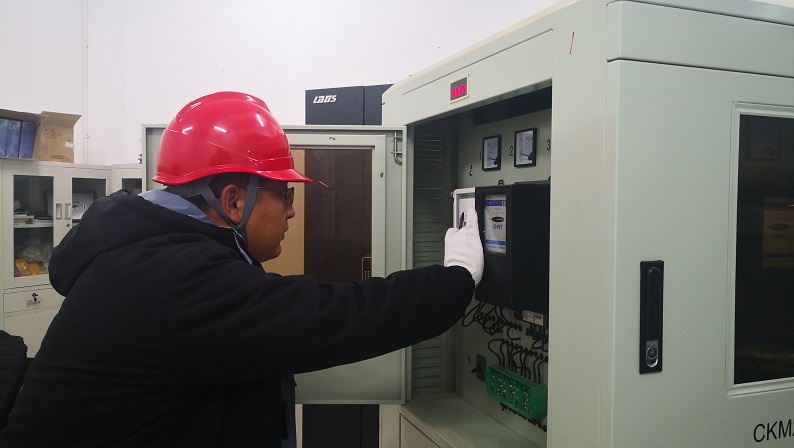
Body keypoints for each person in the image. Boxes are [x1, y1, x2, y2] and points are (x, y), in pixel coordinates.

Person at [0, 91, 483, 447]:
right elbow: (328, 317)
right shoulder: (177, 277)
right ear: (233, 200)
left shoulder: (146, 250)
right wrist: (457, 278)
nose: (291, 211)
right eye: (284, 194)